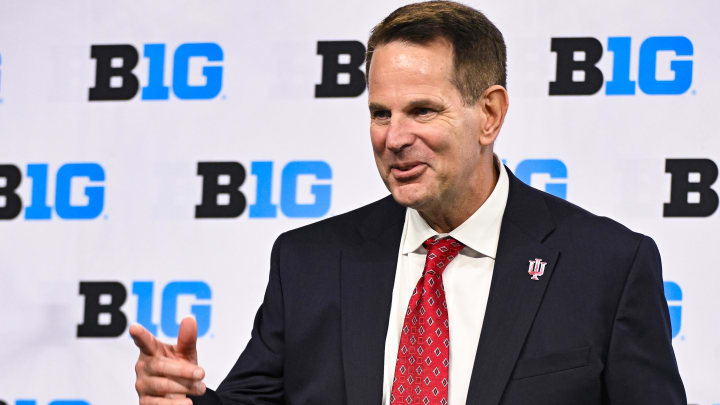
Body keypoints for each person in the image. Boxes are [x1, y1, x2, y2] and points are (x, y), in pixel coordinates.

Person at [130, 2, 686, 404]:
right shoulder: (310, 261)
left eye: (422, 111)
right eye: (380, 113)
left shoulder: (607, 264)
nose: (393, 138)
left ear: (489, 114)